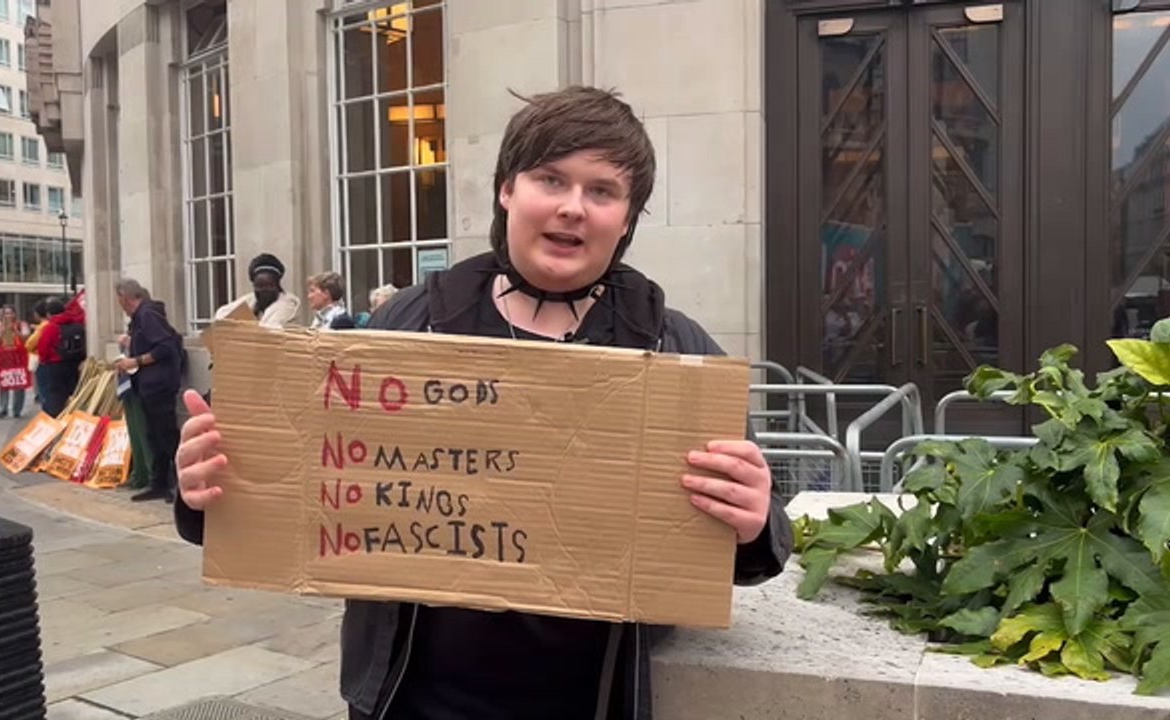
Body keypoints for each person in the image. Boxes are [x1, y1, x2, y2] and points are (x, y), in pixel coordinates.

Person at [173, 86, 793, 720]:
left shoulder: (674, 349)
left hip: (593, 700)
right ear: (507, 189)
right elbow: (290, 484)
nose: (572, 208)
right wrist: (206, 488)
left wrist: (750, 519)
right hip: (412, 700)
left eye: (602, 191)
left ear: (628, 215)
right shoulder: (411, 323)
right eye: (551, 179)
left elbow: (758, 542)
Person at [114, 279, 184, 503]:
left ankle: (179, 484)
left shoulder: (148, 315)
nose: (119, 304)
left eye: (119, 299)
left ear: (126, 297)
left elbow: (165, 347)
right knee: (154, 436)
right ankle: (159, 483)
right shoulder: (141, 318)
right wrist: (130, 343)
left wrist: (135, 361)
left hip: (159, 385)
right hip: (148, 385)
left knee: (167, 435)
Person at [214, 253, 301, 328]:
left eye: (269, 285)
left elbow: (270, 331)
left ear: (277, 286)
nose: (264, 290)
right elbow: (221, 315)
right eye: (259, 286)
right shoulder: (252, 300)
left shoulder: (287, 305)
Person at [36, 295, 86, 417]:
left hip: (55, 366)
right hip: (75, 364)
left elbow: (43, 349)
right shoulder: (77, 326)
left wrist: (45, 362)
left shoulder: (51, 327)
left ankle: (56, 420)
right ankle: (72, 416)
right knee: (73, 393)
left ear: (48, 314)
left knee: (55, 397)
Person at [0, 305, 31, 419]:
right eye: (5, 313)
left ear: (15, 314)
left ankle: (17, 409)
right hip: (5, 359)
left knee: (19, 382)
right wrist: (2, 332)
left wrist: (16, 331)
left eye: (10, 313)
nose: (8, 316)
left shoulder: (22, 324)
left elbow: (26, 339)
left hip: (18, 358)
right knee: (4, 382)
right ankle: (3, 408)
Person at [26, 301, 49, 406]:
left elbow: (29, 344)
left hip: (42, 360)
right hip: (50, 360)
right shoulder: (49, 325)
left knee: (42, 388)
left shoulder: (42, 327)